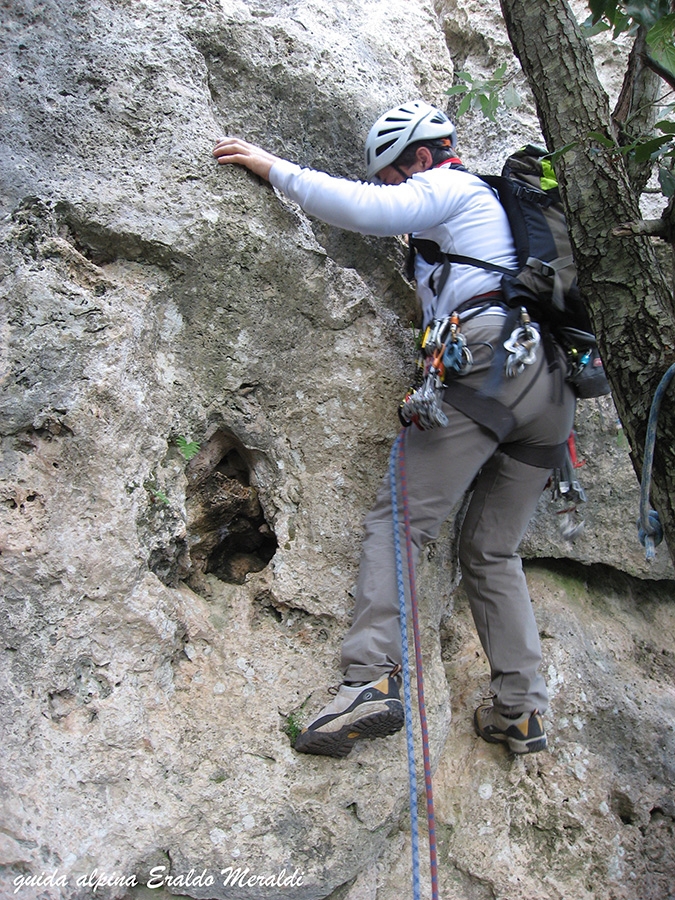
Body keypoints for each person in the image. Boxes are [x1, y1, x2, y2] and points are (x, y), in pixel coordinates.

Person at [213, 100, 575, 758]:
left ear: (417, 156)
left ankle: (370, 680)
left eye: (391, 173)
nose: (391, 187)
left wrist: (275, 169)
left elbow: (366, 211)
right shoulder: (489, 223)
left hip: (492, 361)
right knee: (491, 550)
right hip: (548, 388)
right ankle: (520, 710)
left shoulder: (451, 185)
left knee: (399, 519)